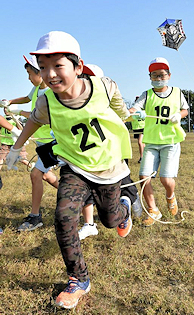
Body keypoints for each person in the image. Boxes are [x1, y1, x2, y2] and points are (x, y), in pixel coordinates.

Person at [6, 31, 133, 310]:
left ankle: (124, 205)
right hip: (74, 168)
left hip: (109, 169)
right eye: (43, 68)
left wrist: (125, 117)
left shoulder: (104, 87)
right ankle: (79, 279)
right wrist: (16, 149)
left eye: (58, 65)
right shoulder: (46, 101)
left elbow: (120, 111)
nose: (50, 74)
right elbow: (33, 123)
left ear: (78, 67)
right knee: (63, 217)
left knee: (110, 221)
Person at [78, 65, 142, 240]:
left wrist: (132, 114)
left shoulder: (106, 97)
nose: (84, 80)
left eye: (89, 77)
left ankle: (129, 203)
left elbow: (122, 113)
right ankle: (92, 219)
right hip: (88, 154)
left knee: (122, 179)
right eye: (82, 76)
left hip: (112, 149)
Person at [1, 55, 59, 231]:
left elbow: (39, 116)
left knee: (35, 174)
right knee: (45, 175)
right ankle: (80, 197)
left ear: (39, 72)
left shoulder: (50, 92)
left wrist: (19, 112)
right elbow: (26, 98)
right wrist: (10, 101)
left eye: (29, 73)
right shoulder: (37, 90)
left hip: (53, 142)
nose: (28, 77)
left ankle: (35, 217)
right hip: (41, 143)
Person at [129, 57, 188, 226]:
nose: (158, 78)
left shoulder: (177, 92)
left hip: (170, 141)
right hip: (151, 143)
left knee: (166, 179)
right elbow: (134, 108)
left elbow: (185, 109)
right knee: (143, 177)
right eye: (154, 75)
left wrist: (179, 115)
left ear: (169, 75)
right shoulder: (146, 94)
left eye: (162, 75)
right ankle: (154, 210)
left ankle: (170, 196)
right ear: (150, 77)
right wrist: (134, 112)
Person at [0, 105, 31, 171]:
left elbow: (22, 129)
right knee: (1, 158)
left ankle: (32, 167)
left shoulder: (17, 118)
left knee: (23, 159)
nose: (5, 110)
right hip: (5, 142)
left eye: (7, 108)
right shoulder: (2, 118)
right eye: (4, 108)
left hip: (17, 142)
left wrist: (17, 121)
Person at [131, 96, 145, 163]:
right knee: (142, 143)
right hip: (136, 128)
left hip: (143, 127)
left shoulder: (144, 110)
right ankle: (144, 156)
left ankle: (142, 157)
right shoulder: (133, 110)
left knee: (140, 142)